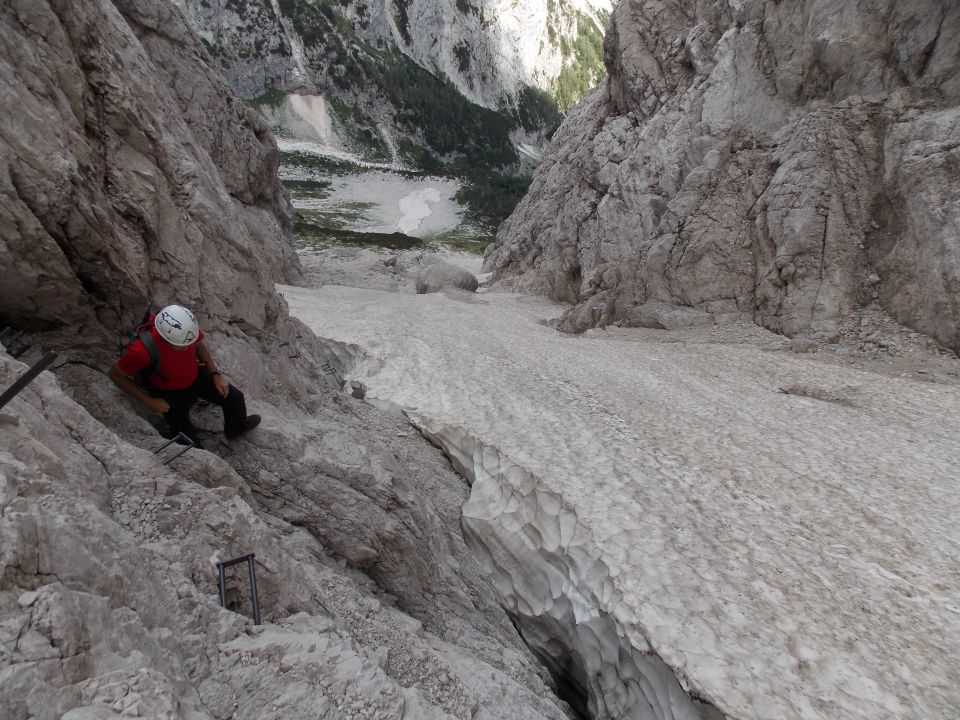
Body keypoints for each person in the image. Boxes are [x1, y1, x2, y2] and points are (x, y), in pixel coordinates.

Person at [108, 304, 260, 448]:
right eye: (181, 345)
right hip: (169, 393)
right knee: (187, 442)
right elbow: (115, 375)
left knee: (235, 398)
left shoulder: (185, 330)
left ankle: (235, 429)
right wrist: (149, 401)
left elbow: (199, 345)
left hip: (195, 377)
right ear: (165, 338)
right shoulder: (141, 352)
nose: (187, 347)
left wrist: (215, 374)